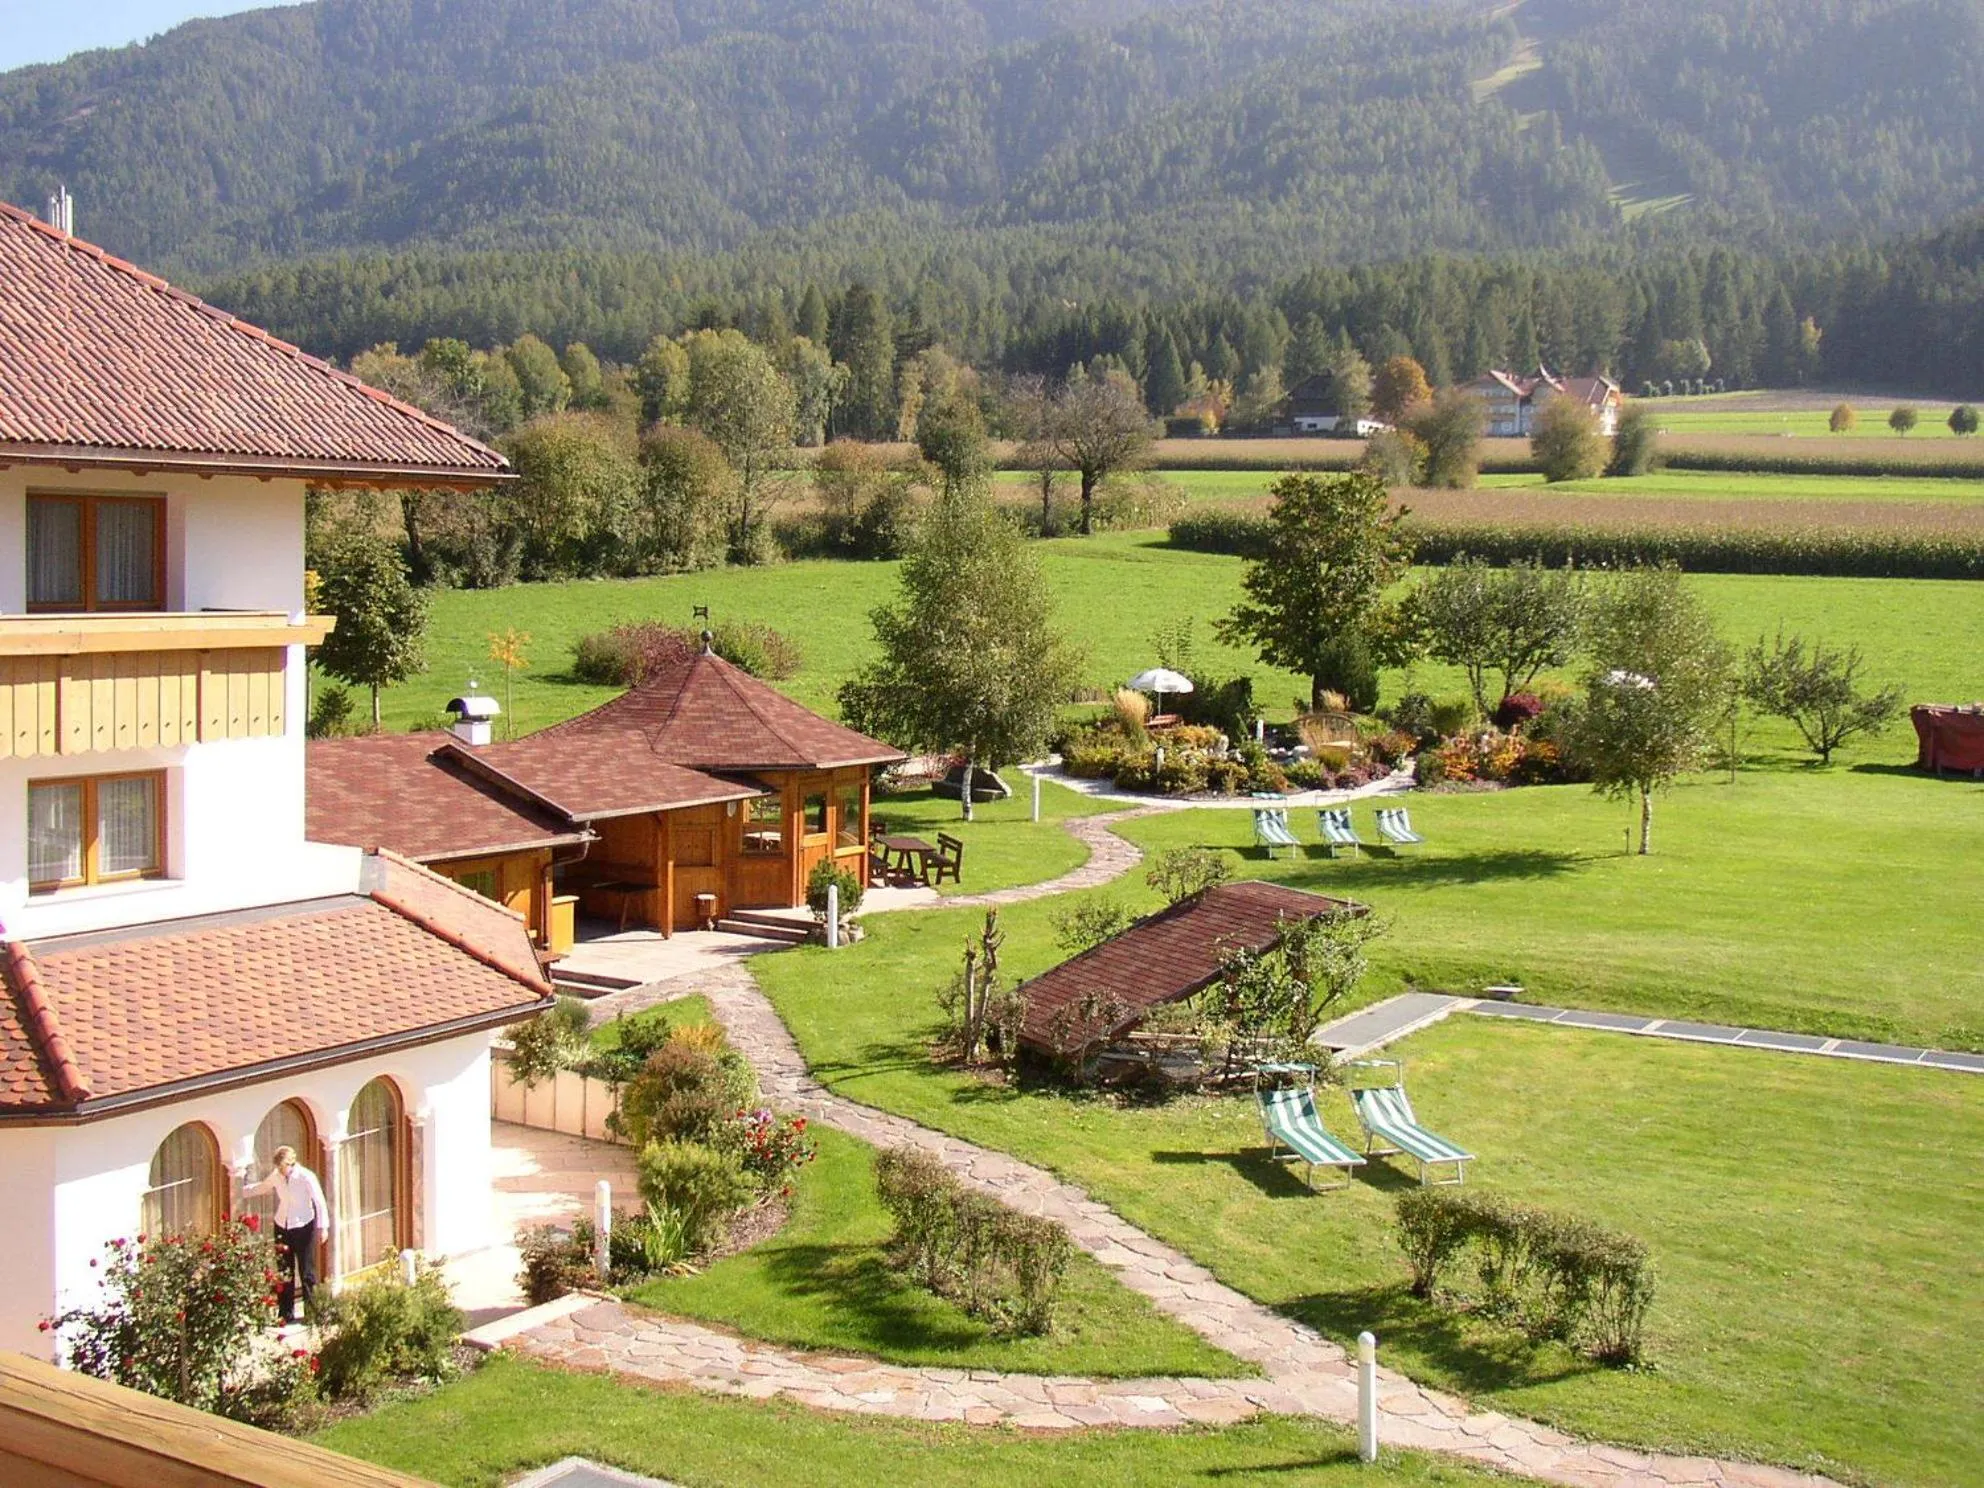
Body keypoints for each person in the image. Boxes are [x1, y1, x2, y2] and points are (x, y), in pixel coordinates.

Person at [243, 1145, 328, 1322]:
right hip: (282, 1226)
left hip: (303, 1226)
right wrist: (239, 1190)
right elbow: (261, 1188)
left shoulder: (306, 1177)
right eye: (278, 1168)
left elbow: (319, 1202)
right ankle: (285, 1312)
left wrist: (323, 1227)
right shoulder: (276, 1176)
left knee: (306, 1271)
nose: (280, 1171)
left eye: (282, 1167)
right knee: (284, 1270)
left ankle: (311, 1312)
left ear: (290, 1163)